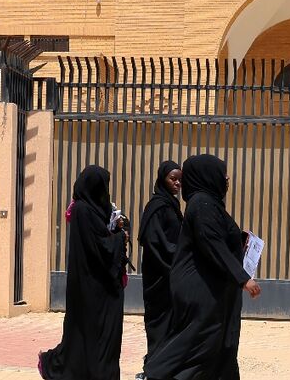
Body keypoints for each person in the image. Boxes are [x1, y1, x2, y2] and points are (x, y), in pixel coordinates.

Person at [144, 154, 261, 380]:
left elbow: (218, 235)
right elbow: (211, 242)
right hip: (202, 290)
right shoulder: (201, 204)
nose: (226, 178)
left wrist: (240, 239)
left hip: (211, 288)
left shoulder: (209, 204)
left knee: (217, 348)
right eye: (221, 172)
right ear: (207, 175)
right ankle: (157, 373)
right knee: (200, 346)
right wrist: (242, 278)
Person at [39, 165, 129, 380]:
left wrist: (118, 226)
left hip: (100, 285)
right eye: (102, 186)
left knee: (101, 334)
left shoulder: (95, 208)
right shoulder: (83, 210)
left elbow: (104, 236)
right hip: (91, 286)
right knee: (89, 332)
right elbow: (98, 246)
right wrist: (119, 238)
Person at [137, 161, 184, 375]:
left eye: (180, 179)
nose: (177, 183)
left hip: (172, 275)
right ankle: (153, 367)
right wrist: (178, 257)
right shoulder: (157, 206)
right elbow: (155, 242)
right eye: (173, 178)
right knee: (158, 324)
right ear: (162, 179)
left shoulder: (172, 205)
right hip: (159, 276)